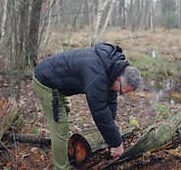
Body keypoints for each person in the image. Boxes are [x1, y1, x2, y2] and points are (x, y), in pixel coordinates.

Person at [33, 42, 141, 170]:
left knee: (65, 114)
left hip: (59, 83)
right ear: (119, 79)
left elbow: (111, 99)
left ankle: (67, 150)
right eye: (122, 91)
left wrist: (111, 135)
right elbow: (99, 111)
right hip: (46, 82)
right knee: (59, 128)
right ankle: (62, 167)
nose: (120, 93)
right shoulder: (97, 73)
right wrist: (117, 144)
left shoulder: (112, 66)